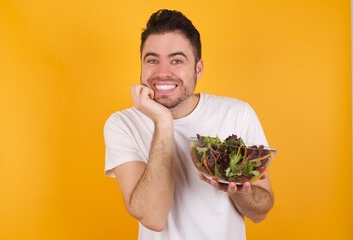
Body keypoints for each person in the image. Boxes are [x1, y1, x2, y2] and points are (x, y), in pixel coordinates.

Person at [104, 9, 274, 239]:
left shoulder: (237, 114)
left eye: (177, 60)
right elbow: (152, 217)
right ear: (142, 66)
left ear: (198, 68)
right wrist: (163, 121)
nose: (163, 72)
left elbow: (261, 211)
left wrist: (237, 191)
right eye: (152, 60)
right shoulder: (123, 124)